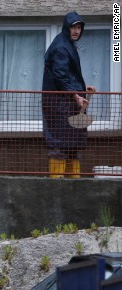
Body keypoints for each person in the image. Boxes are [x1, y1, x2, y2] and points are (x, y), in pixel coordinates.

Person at [42, 11, 96, 178]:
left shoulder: (66, 44)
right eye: (73, 27)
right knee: (60, 147)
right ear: (67, 27)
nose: (77, 31)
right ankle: (57, 192)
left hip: (64, 105)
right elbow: (61, 75)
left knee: (73, 147)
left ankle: (74, 189)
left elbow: (67, 75)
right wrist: (77, 96)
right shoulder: (61, 47)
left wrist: (82, 87)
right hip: (59, 106)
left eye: (79, 28)